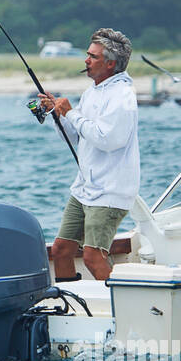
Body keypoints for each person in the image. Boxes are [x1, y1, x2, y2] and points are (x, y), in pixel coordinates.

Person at [36, 28, 140, 282]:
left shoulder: (123, 96)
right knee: (61, 251)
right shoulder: (92, 92)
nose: (86, 60)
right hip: (84, 187)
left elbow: (108, 139)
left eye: (93, 57)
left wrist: (71, 113)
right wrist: (57, 115)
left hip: (109, 191)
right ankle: (72, 306)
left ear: (110, 64)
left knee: (93, 257)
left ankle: (122, 311)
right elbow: (78, 137)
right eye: (88, 55)